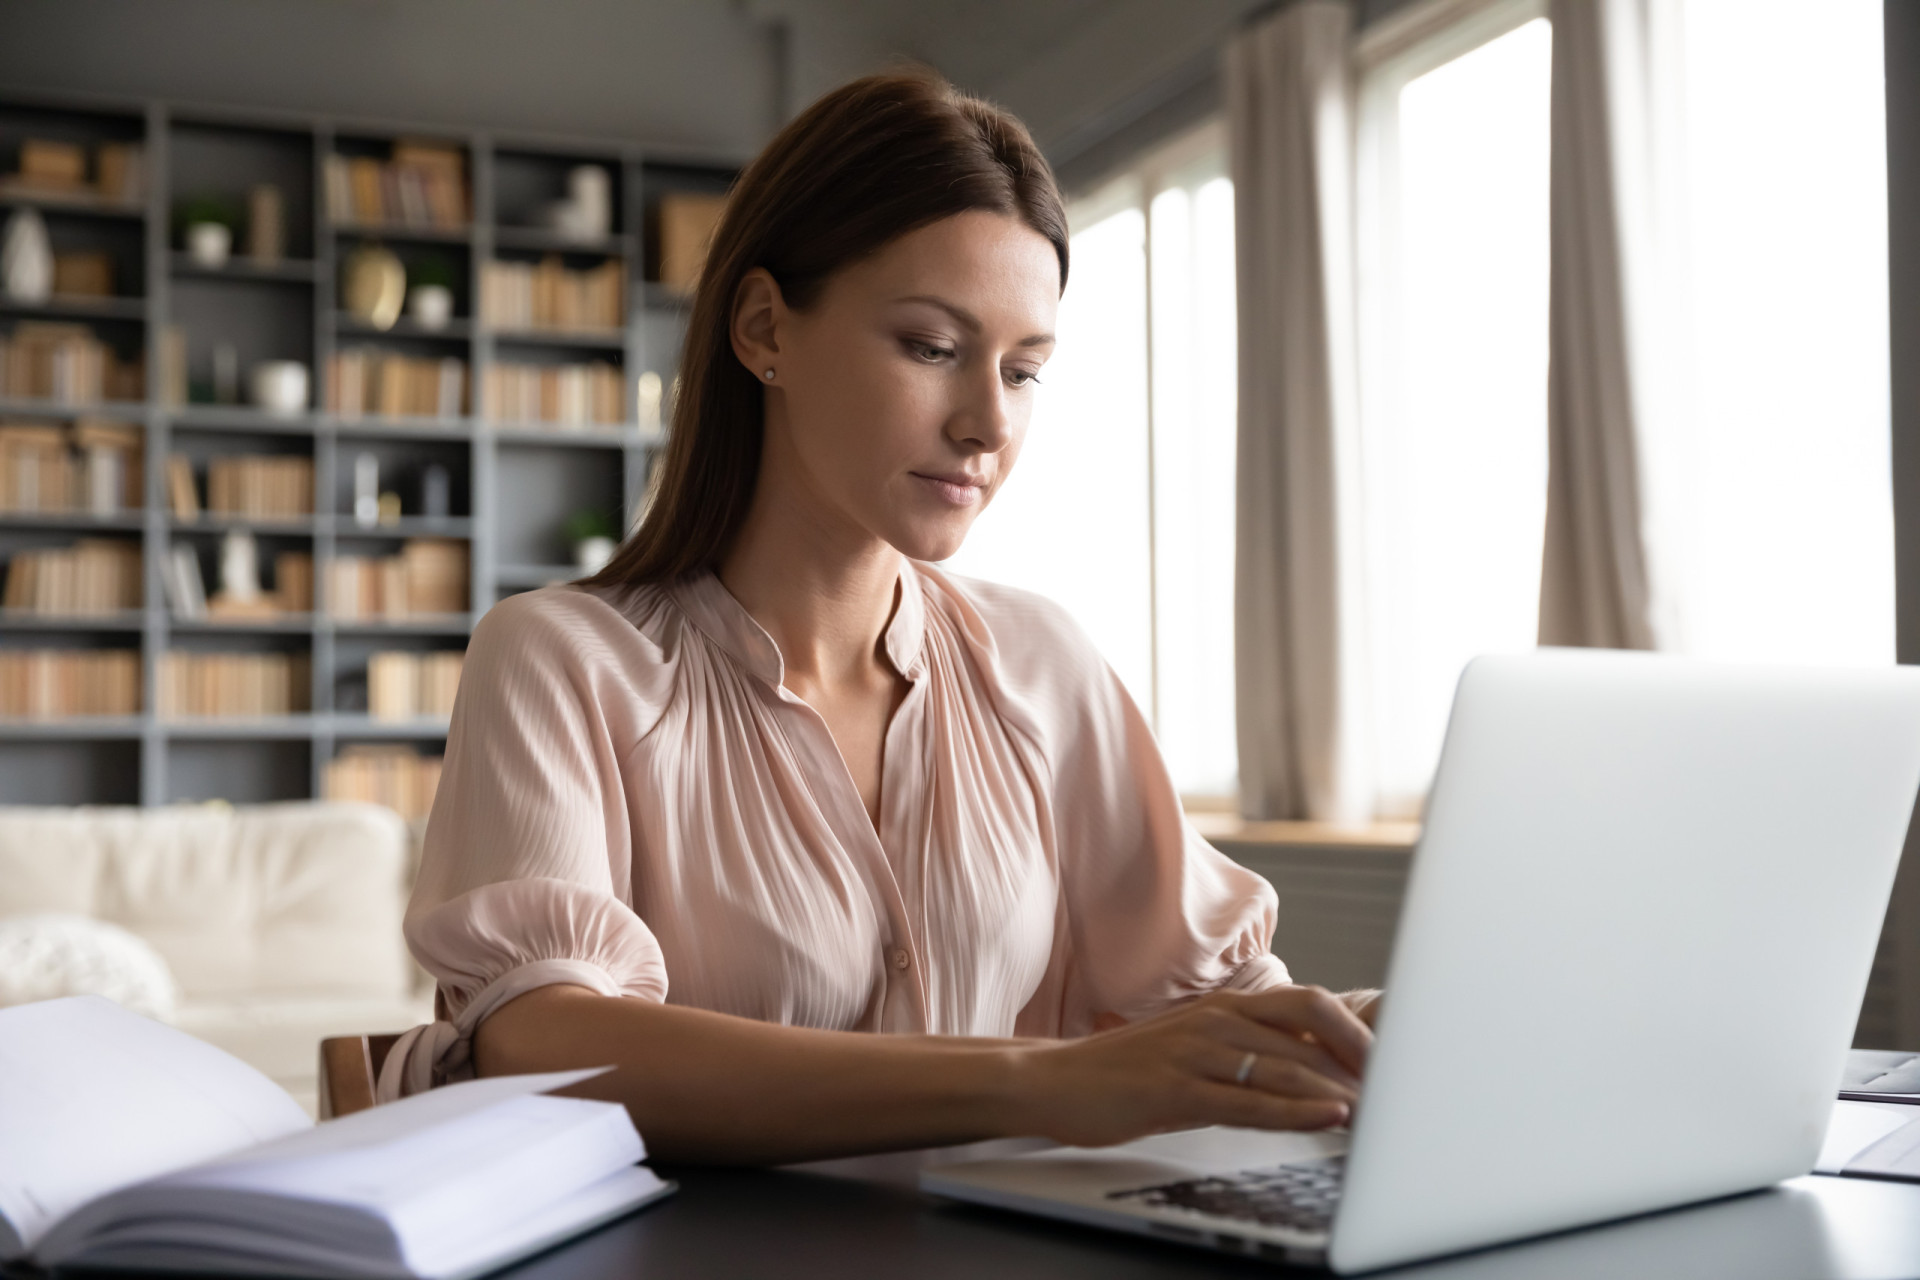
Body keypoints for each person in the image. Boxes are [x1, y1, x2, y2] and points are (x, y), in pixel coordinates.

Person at [382, 70, 1378, 1163]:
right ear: (765, 327)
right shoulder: (561, 660)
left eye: (1025, 368)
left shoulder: (1042, 660)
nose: (988, 422)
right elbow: (542, 1043)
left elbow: (1220, 993)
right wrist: (1042, 1081)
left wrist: (1356, 1039)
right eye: (932, 347)